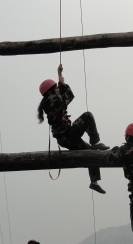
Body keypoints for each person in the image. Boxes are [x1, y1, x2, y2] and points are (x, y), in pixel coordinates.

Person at [38, 64, 109, 194]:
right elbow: (69, 95)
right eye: (56, 88)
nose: (58, 89)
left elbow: (61, 93)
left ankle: (94, 182)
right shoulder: (54, 100)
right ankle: (96, 142)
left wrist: (60, 75)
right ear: (51, 91)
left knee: (90, 153)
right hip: (68, 135)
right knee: (88, 116)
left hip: (65, 138)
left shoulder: (49, 101)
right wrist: (62, 81)